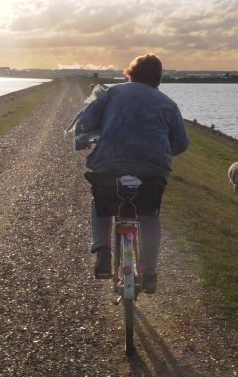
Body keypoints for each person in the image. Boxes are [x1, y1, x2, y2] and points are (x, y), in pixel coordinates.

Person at [71, 53, 189, 294]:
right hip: (151, 171)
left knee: (101, 200)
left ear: (130, 73)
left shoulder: (113, 93)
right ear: (158, 79)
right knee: (150, 216)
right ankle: (151, 274)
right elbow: (181, 144)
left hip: (110, 163)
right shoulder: (168, 104)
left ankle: (103, 252)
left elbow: (87, 120)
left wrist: (85, 139)